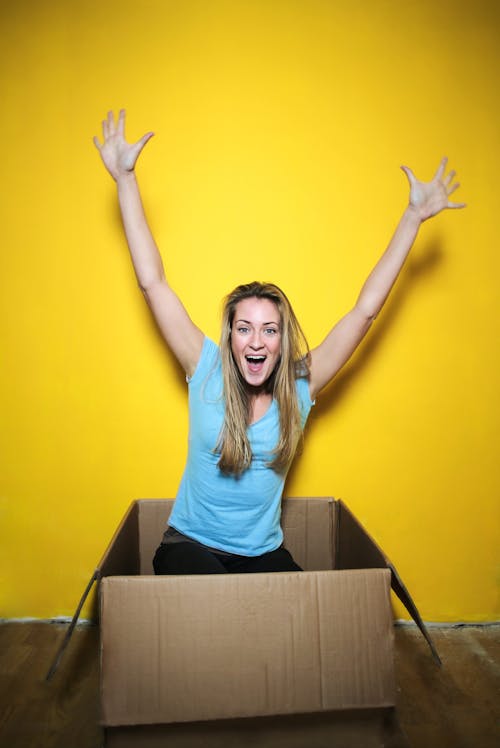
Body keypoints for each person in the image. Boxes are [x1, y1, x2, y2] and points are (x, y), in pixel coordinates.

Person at [94, 109, 465, 575]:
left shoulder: (300, 386)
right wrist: (125, 180)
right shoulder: (204, 367)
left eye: (270, 330)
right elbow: (154, 283)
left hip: (262, 554)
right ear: (230, 336)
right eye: (244, 327)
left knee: (303, 620)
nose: (256, 341)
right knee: (219, 606)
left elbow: (364, 312)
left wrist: (413, 217)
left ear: (282, 340)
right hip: (189, 546)